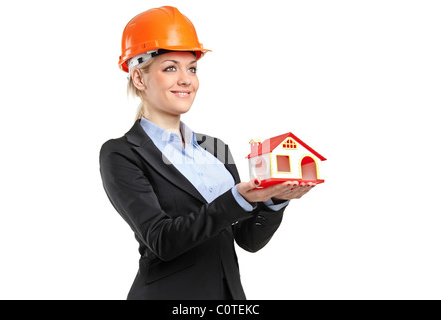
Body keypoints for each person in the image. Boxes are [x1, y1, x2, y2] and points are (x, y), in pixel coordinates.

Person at [99, 6, 316, 300]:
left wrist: (274, 200)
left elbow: (247, 239)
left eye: (192, 68)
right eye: (170, 67)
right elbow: (162, 240)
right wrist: (238, 197)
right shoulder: (122, 153)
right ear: (139, 79)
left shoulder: (215, 148)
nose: (187, 79)